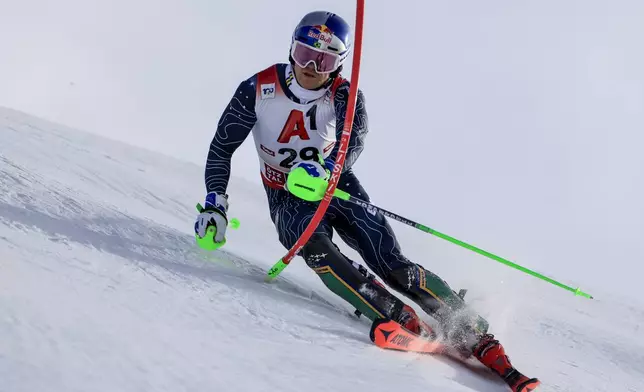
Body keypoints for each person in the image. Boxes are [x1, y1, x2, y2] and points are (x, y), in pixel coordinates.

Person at [194, 10, 539, 392]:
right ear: (290, 48)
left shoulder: (345, 92)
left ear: (338, 63)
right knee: (317, 249)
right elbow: (221, 147)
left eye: (322, 60)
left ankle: (467, 327)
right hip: (286, 196)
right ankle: (394, 313)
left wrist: (326, 169)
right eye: (303, 53)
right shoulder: (258, 88)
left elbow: (353, 140)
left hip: (337, 186)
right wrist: (215, 204)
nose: (310, 66)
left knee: (391, 263)